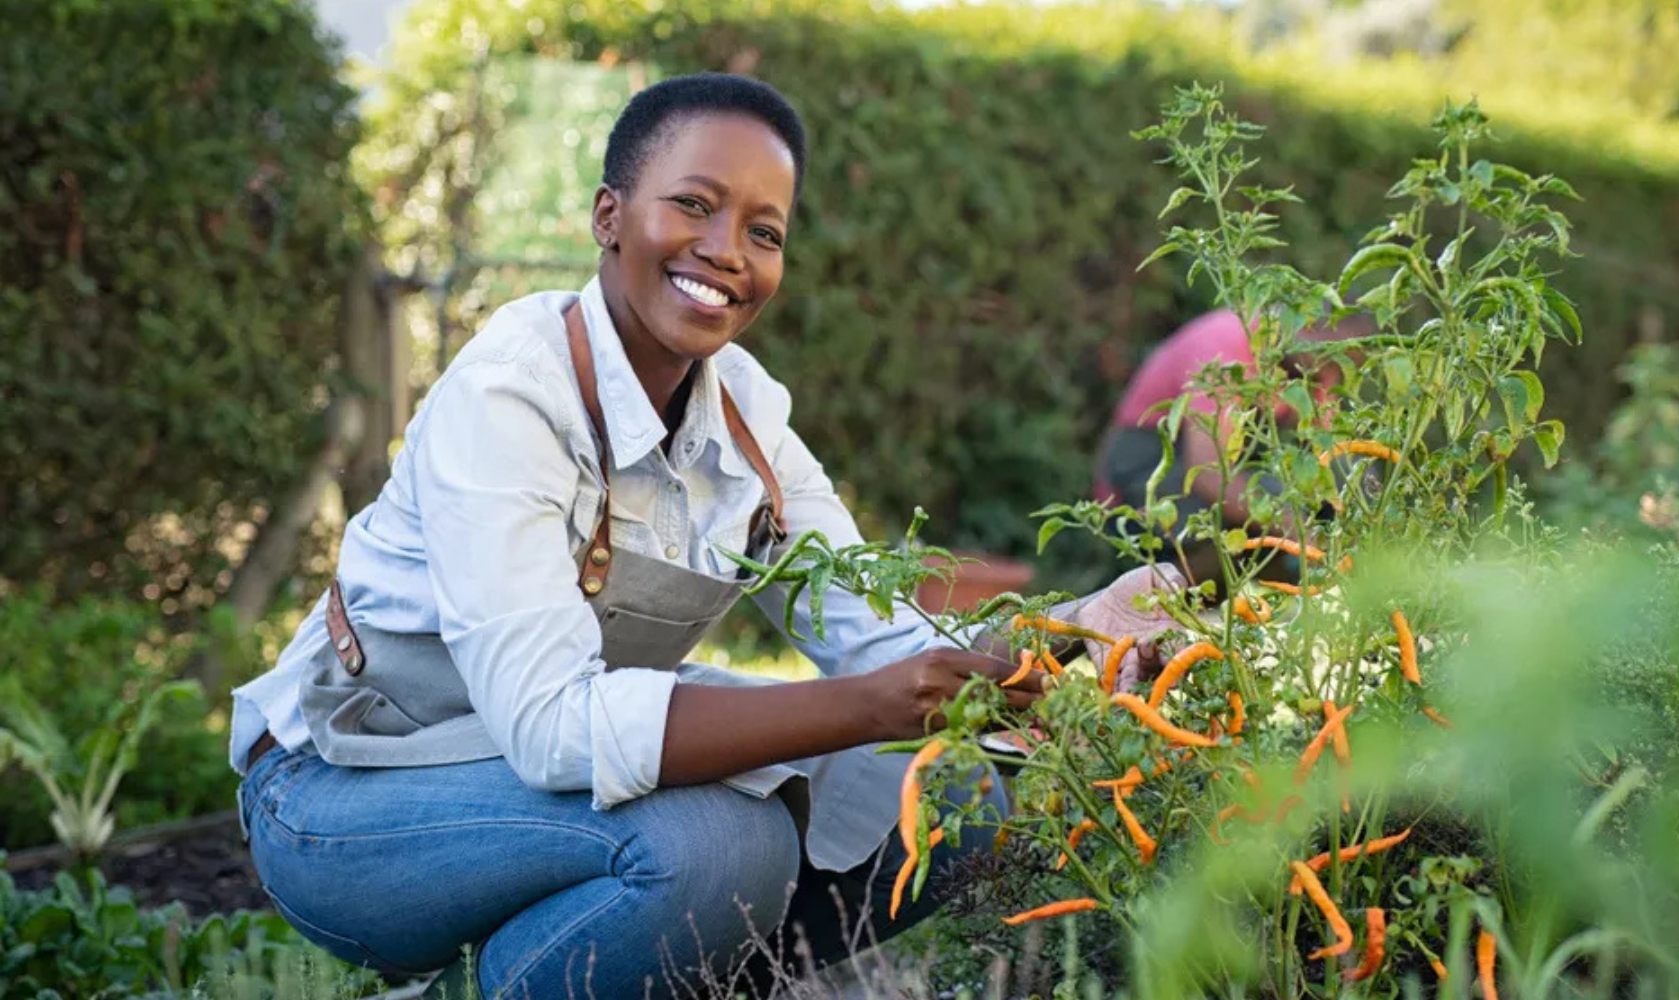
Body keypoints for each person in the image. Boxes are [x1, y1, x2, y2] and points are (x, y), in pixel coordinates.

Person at [230, 73, 1184, 1000]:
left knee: (963, 796)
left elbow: (884, 639)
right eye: (694, 205)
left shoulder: (749, 422)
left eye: (763, 232)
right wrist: (868, 708)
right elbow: (551, 728)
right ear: (609, 216)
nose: (728, 251)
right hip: (346, 795)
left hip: (527, 781)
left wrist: (1074, 634)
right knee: (722, 848)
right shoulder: (509, 398)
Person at [1092, 308, 1370, 581]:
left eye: (1347, 364)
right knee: (1272, 503)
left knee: (1342, 478)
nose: (1333, 374)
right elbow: (1206, 473)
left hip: (1221, 467)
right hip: (1147, 468)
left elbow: (1335, 451)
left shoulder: (1311, 366)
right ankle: (1161, 590)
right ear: (1306, 326)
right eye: (1333, 360)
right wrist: (1297, 529)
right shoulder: (1225, 347)